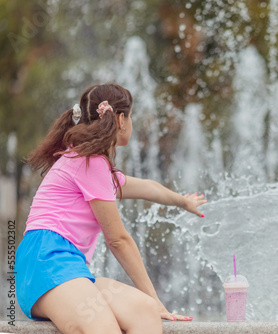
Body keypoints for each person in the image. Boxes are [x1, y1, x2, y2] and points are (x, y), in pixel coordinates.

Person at [15, 83, 207, 334]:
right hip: (46, 262)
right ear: (121, 119)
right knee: (106, 326)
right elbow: (118, 240)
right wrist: (156, 298)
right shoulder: (89, 162)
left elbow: (149, 187)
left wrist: (184, 201)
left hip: (67, 267)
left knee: (143, 310)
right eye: (131, 116)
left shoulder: (91, 165)